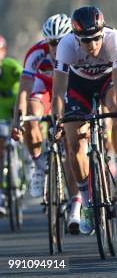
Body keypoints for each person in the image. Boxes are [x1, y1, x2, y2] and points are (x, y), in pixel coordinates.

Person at [52, 6, 117, 235]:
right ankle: (87, 203)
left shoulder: (114, 38)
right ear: (76, 37)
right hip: (78, 87)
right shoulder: (66, 45)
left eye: (96, 38)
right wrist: (57, 121)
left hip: (107, 82)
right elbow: (58, 91)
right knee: (75, 143)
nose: (92, 45)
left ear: (102, 32)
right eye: (86, 40)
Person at [11, 14, 83, 230]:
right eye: (52, 42)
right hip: (44, 91)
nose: (55, 47)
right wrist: (18, 121)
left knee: (72, 147)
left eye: (60, 41)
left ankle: (76, 204)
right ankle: (39, 167)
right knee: (31, 112)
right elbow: (24, 90)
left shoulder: (76, 50)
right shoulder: (36, 53)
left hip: (69, 92)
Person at [0, 35, 22, 217]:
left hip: (14, 109)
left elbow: (27, 78)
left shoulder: (11, 66)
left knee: (18, 138)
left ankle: (24, 168)